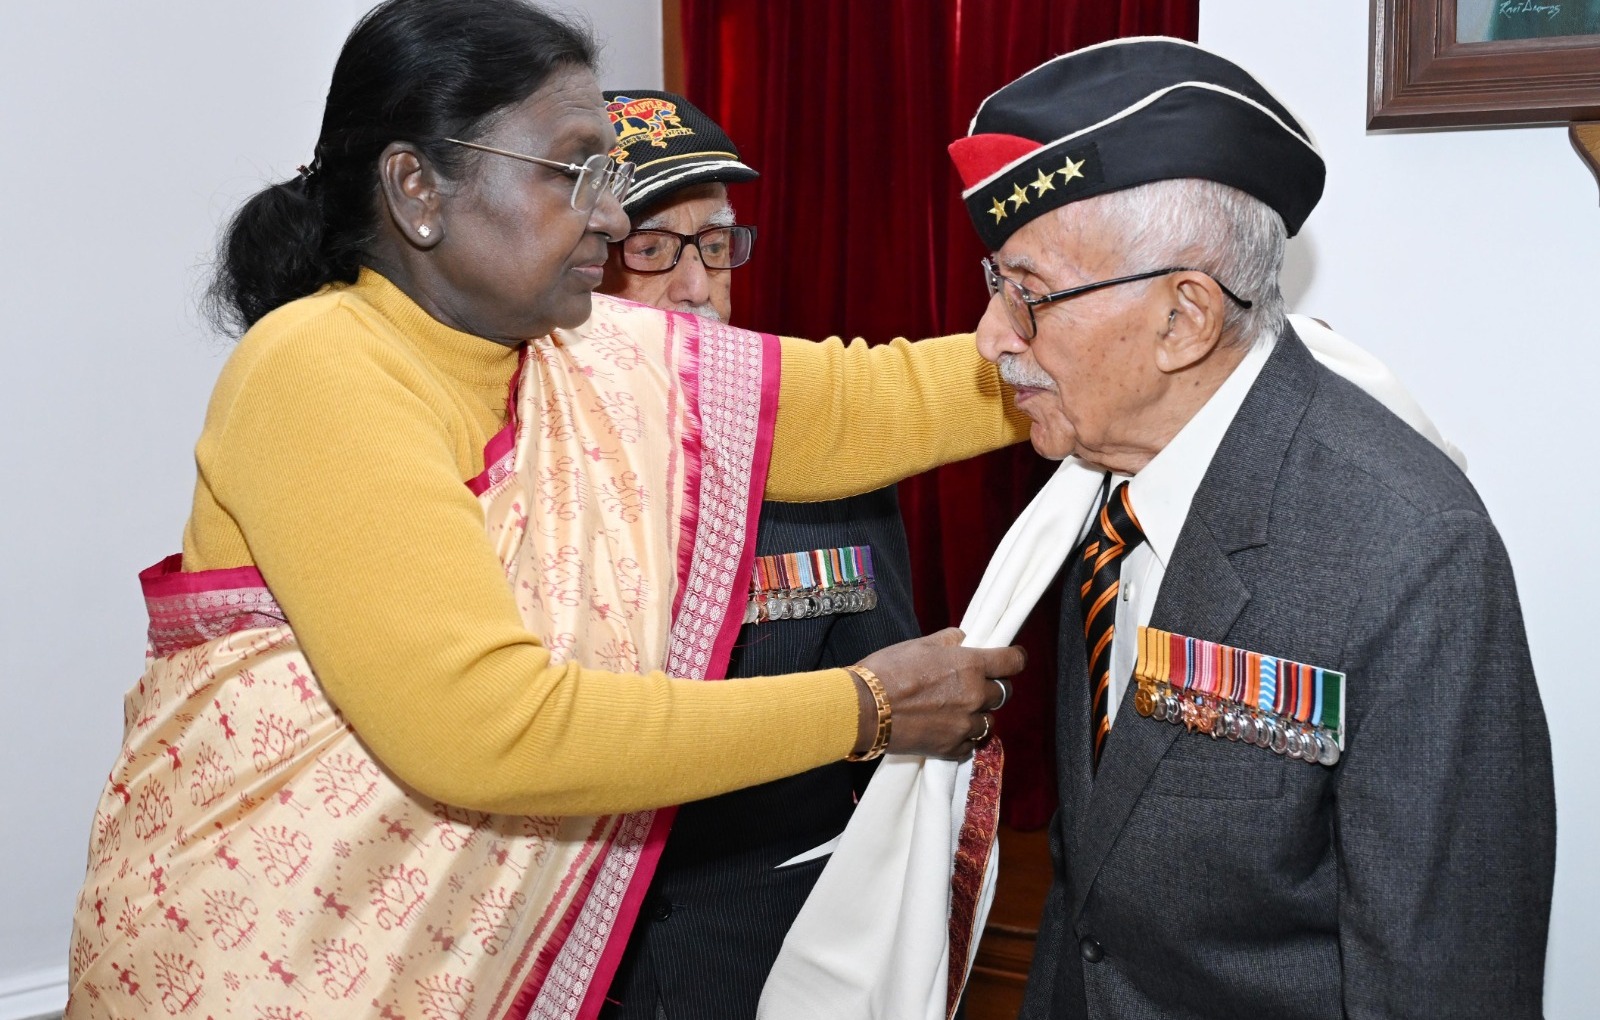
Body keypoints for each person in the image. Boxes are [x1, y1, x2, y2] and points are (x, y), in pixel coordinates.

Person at [63, 3, 1033, 1017]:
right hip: (285, 966)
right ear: (418, 189)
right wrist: (866, 708)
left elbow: (860, 402)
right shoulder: (323, 365)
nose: (612, 218)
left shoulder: (592, 359)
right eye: (575, 172)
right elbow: (493, 728)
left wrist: (1078, 346)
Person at [944, 37, 1555, 1018]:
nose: (989, 337)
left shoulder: (1408, 551)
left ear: (1182, 318)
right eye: (993, 283)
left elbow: (1445, 980)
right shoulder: (1101, 490)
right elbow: (1089, 890)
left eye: (1029, 295)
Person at [592, 90, 921, 1020]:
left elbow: (893, 713)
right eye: (650, 247)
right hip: (560, 948)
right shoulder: (511, 462)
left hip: (777, 950)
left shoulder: (819, 448)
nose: (696, 285)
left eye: (717, 243)